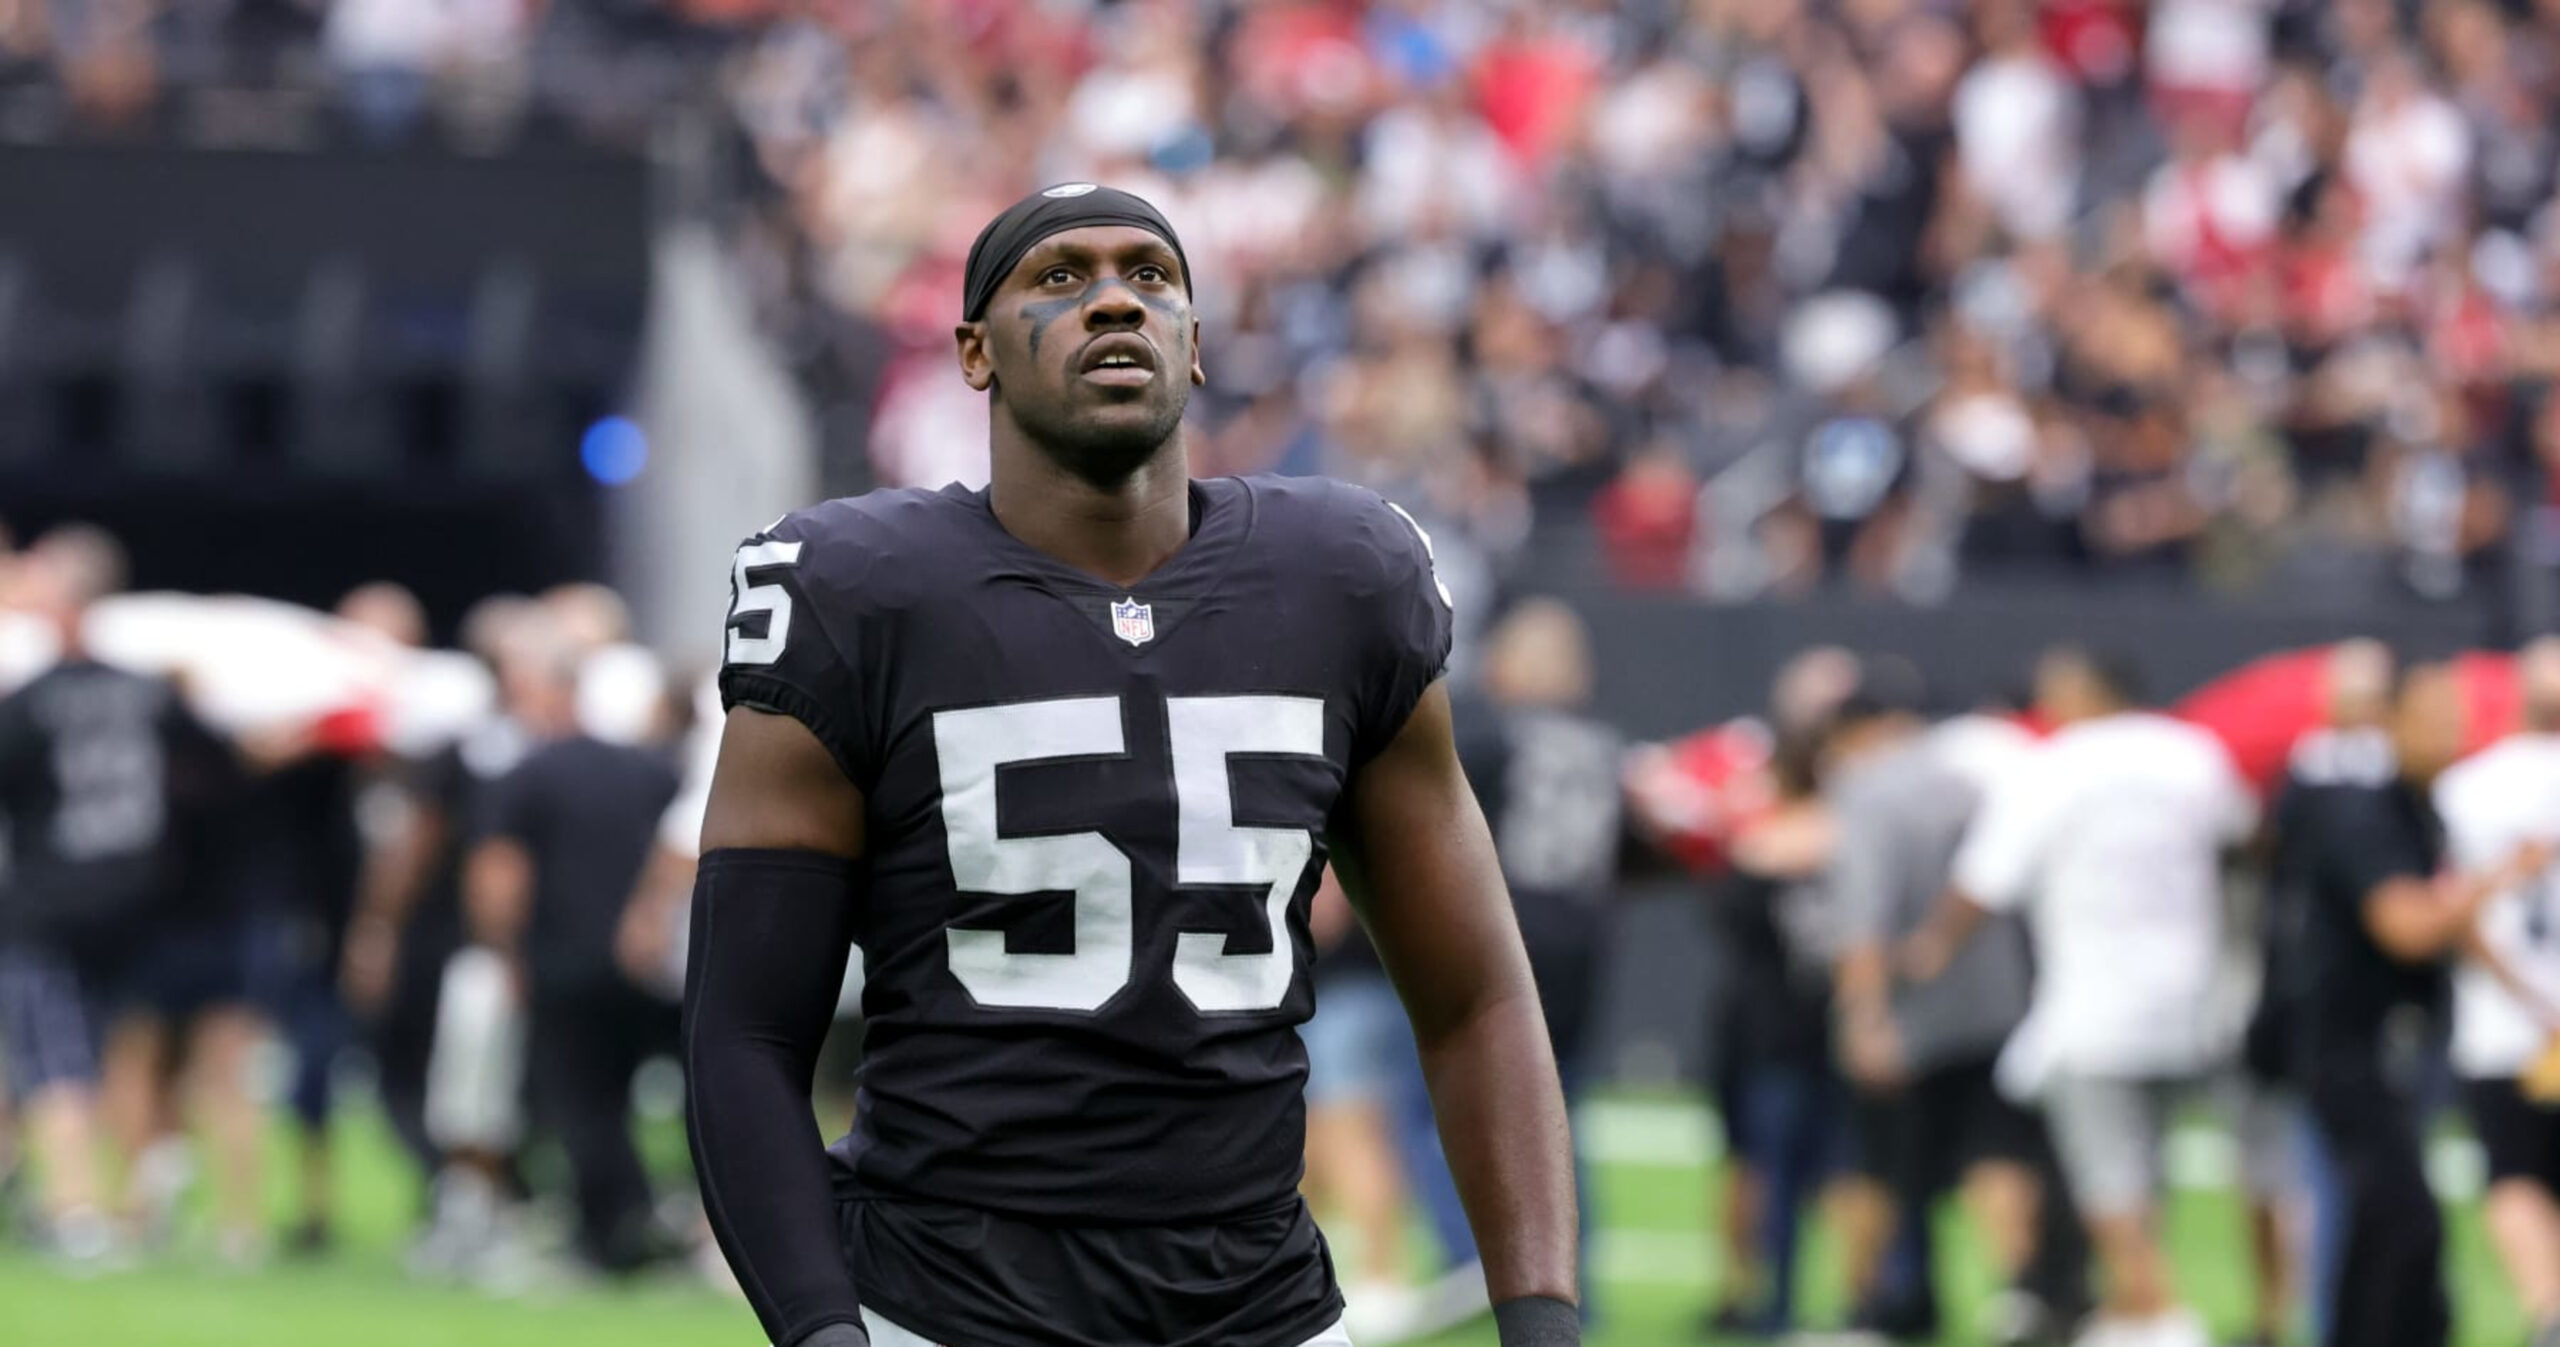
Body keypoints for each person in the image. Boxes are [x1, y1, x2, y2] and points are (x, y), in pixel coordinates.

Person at [682, 183, 1579, 1347]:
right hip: (939, 1305)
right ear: (974, 351)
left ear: (1194, 345)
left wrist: (1542, 1324)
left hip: (1260, 1305)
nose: (1114, 301)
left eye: (1150, 276)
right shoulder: (853, 592)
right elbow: (743, 1037)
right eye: (1059, 277)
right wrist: (822, 1333)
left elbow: (1476, 998)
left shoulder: (1345, 577)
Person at [1903, 648, 2264, 1347]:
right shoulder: (2192, 755)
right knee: (2151, 1166)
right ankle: (2133, 1309)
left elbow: (1984, 878)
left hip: (2094, 1002)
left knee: (2107, 1173)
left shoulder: (2058, 765)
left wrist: (1931, 947)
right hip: (2192, 998)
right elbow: (2246, 841)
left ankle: (2158, 1311)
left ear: (2084, 692)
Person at [1825, 681, 2089, 1345]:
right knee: (1995, 1152)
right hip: (1995, 1002)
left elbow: (1863, 920)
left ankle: (1864, 1308)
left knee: (1879, 1165)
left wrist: (1863, 1016)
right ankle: (2021, 1294)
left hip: (1912, 1007)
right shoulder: (1975, 785)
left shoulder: (1871, 793)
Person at [0, 525, 235, 1266]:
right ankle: (136, 1210)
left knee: (54, 1062)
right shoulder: (152, 692)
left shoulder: (29, 700)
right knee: (129, 1053)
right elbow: (217, 775)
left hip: (47, 904)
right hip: (141, 901)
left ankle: (76, 1212)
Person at [2272, 659, 2489, 1347]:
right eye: (2433, 716)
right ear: (2388, 720)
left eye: (2455, 716)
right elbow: (2407, 925)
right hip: (2346, 1044)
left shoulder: (2422, 809)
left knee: (2398, 1219)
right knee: (2387, 1215)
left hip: (2394, 1042)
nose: (2450, 731)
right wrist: (2499, 880)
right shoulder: (2359, 807)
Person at [466, 634, 682, 1276]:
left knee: (580, 1104)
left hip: (562, 960)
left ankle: (608, 1236)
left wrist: (504, 953)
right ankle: (640, 1219)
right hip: (645, 962)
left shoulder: (527, 772)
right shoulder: (649, 768)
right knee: (623, 1100)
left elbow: (500, 874)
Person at [2433, 638, 2560, 1347]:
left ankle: (2547, 1311)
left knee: (2514, 1173)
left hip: (2505, 1021)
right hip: (2527, 1016)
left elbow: (2450, 910)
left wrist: (2532, 999)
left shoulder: (2468, 785)